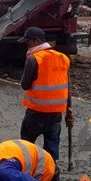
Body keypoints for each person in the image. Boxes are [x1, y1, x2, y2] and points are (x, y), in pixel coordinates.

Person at [18, 27, 73, 162]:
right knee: (52, 147)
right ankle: (52, 175)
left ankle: (28, 172)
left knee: (27, 146)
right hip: (56, 114)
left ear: (36, 41)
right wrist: (69, 112)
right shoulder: (63, 58)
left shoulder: (33, 59)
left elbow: (25, 85)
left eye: (28, 42)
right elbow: (67, 87)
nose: (27, 45)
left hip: (36, 113)